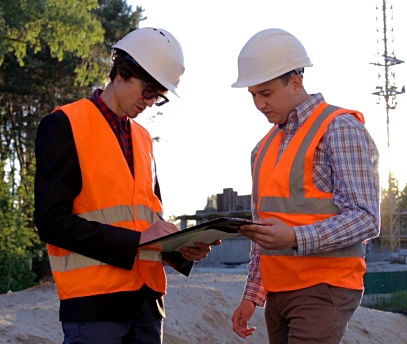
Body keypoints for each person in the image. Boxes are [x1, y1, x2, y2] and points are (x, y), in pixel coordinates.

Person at [34, 27, 216, 344]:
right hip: (95, 307)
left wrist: (178, 249)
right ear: (122, 71)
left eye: (159, 97)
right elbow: (51, 222)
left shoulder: (144, 140)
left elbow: (147, 219)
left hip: (149, 305)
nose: (151, 102)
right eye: (149, 91)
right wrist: (135, 241)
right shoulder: (64, 125)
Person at [230, 28, 381, 344]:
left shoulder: (339, 128)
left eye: (266, 93)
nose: (259, 104)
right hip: (278, 292)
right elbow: (263, 230)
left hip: (324, 287)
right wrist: (252, 295)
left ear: (296, 82)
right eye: (253, 95)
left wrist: (295, 237)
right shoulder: (262, 149)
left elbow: (366, 218)